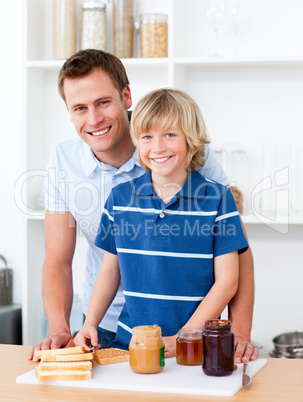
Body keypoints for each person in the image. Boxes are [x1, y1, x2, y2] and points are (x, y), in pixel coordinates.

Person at [28, 49, 257, 363]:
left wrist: (237, 333)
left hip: (190, 329)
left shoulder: (192, 159)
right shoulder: (70, 165)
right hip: (115, 329)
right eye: (80, 108)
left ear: (126, 96)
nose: (93, 119)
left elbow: (236, 256)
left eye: (103, 102)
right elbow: (58, 260)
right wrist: (65, 327)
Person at [74, 88, 249, 356]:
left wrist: (184, 337)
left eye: (170, 134)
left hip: (195, 349)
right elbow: (110, 271)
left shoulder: (218, 199)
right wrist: (90, 323)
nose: (157, 147)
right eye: (147, 137)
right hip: (131, 346)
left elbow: (227, 282)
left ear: (190, 139)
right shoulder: (120, 198)